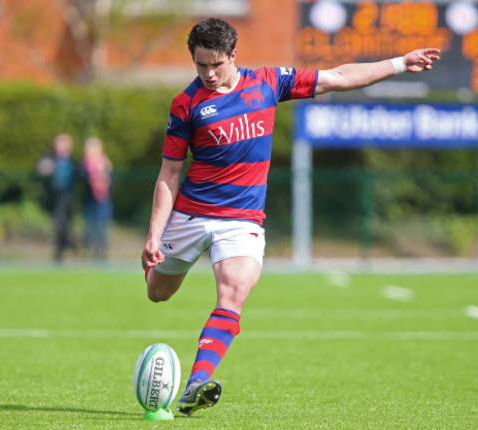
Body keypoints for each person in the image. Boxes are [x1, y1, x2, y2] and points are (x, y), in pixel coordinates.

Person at [140, 17, 441, 417]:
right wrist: (154, 235)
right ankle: (182, 340)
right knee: (157, 292)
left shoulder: (268, 82)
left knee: (233, 293)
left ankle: (196, 382)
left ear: (233, 55)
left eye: (216, 64)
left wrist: (400, 63)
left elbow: (337, 76)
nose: (209, 74)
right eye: (200, 65)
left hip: (242, 220)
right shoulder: (186, 104)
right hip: (192, 214)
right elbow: (170, 172)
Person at [36, 133, 77, 263]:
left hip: (67, 195)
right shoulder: (50, 158)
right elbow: (40, 169)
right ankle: (64, 247)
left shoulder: (71, 160)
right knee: (59, 222)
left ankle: (69, 243)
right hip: (54, 195)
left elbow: (79, 173)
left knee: (61, 221)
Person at [81, 137, 113, 261]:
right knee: (90, 226)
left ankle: (101, 252)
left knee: (102, 226)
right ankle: (89, 251)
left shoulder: (105, 164)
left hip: (103, 200)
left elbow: (112, 181)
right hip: (90, 201)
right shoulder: (84, 165)